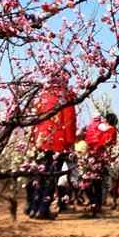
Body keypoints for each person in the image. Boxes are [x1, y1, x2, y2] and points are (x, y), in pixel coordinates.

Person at [26, 75, 77, 220]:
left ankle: (33, 208)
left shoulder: (43, 95)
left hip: (40, 140)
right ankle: (42, 209)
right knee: (51, 176)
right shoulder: (66, 96)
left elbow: (35, 119)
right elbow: (69, 120)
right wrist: (70, 142)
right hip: (57, 142)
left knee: (39, 175)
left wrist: (33, 140)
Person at [81, 112, 118, 216]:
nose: (103, 120)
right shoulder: (102, 128)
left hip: (99, 157)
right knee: (90, 182)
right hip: (94, 156)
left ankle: (96, 205)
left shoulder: (111, 130)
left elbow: (107, 142)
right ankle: (95, 203)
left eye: (105, 118)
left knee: (95, 183)